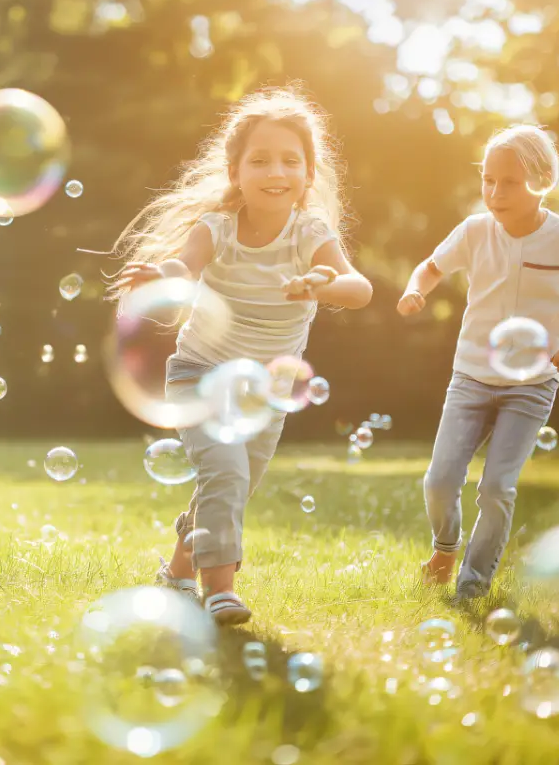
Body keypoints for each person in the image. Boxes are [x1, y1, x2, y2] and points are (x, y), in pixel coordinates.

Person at [107, 85, 373, 625]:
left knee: (229, 487)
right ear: (235, 173)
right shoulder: (218, 228)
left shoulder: (310, 232)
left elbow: (359, 287)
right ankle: (220, 591)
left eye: (290, 160)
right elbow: (185, 265)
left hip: (267, 391)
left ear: (308, 173)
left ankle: (177, 574)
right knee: (225, 477)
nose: (276, 170)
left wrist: (322, 285)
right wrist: (163, 275)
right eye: (260, 160)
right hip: (201, 375)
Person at [397, 124, 559, 601]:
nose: (494, 192)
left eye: (508, 182)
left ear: (542, 179)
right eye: (488, 180)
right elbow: (431, 266)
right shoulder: (474, 231)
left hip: (531, 385)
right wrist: (414, 289)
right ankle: (445, 548)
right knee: (440, 480)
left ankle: (473, 582)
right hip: (470, 376)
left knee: (496, 488)